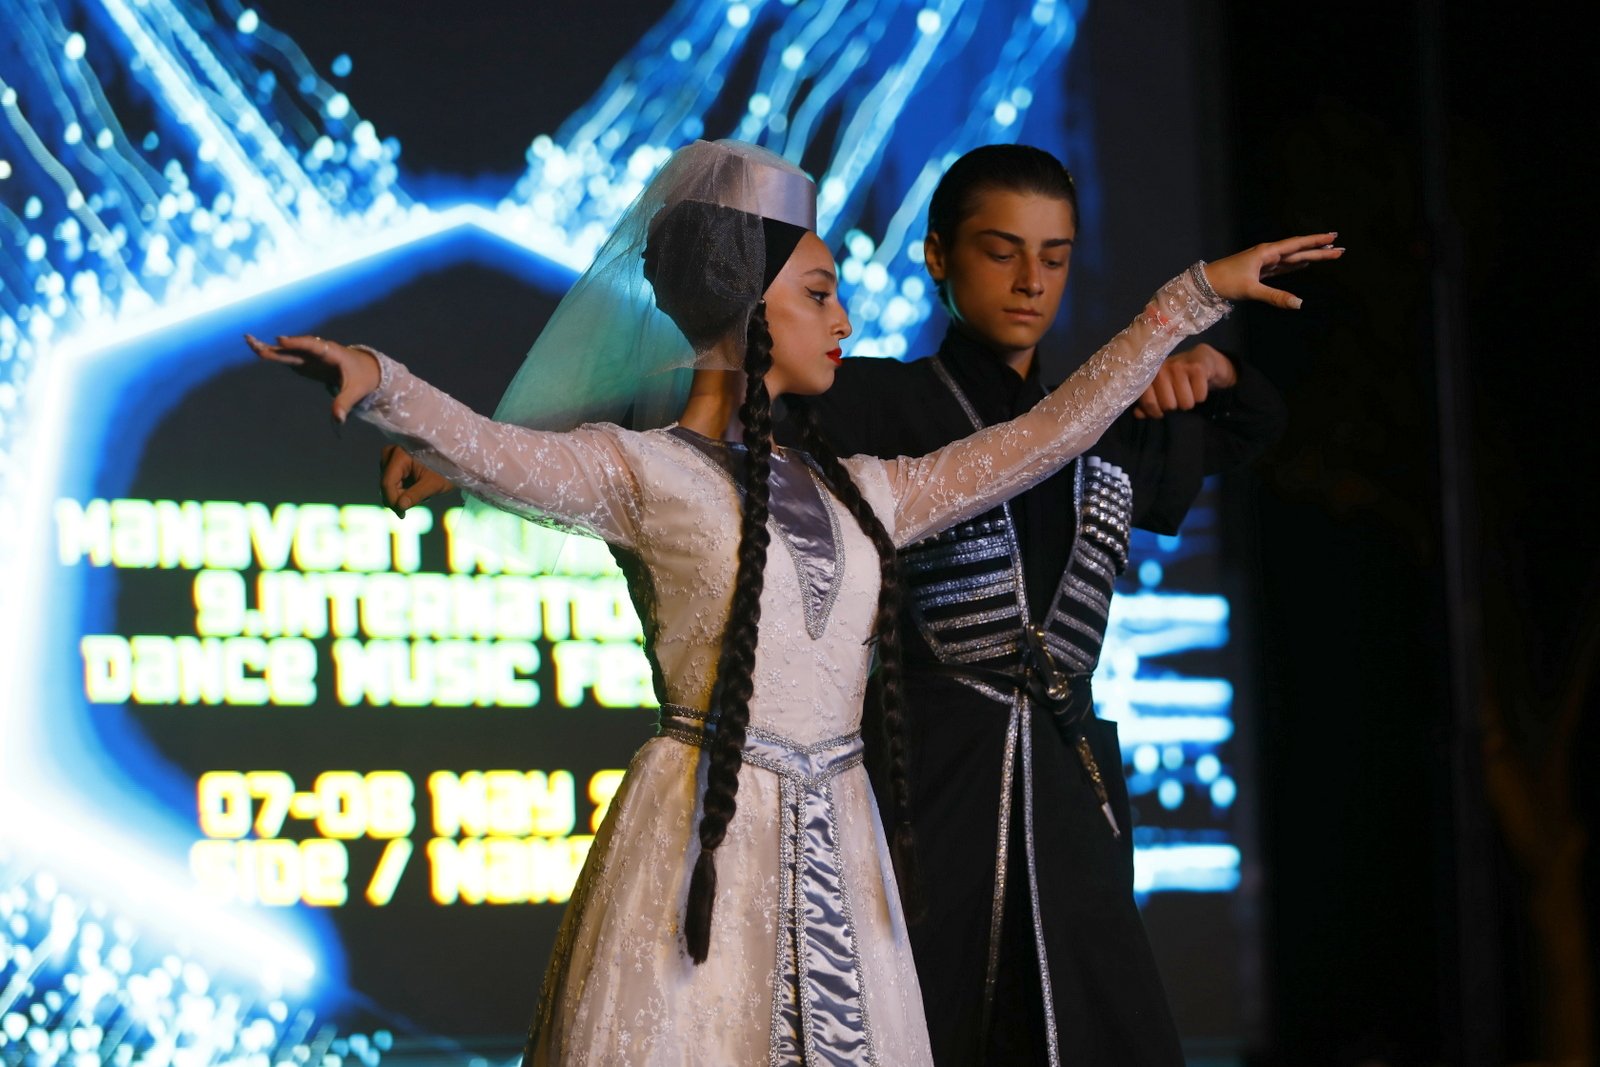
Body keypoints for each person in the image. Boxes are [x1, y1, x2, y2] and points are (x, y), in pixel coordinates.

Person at [251, 138, 1337, 1065]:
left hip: (850, 843)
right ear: (748, 306)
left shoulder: (872, 488)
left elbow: (1046, 436)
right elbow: (503, 451)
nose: (845, 315)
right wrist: (385, 386)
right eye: (818, 294)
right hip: (703, 833)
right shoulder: (649, 472)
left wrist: (1193, 297)